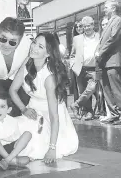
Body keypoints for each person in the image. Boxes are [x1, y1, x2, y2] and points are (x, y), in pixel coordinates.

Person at [10, 32, 79, 163]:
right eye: (34, 42)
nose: (34, 47)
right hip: (32, 110)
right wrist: (23, 109)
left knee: (35, 146)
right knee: (15, 131)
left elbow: (54, 116)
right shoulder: (27, 63)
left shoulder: (49, 78)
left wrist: (52, 148)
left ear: (48, 54)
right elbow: (12, 90)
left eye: (40, 46)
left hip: (51, 115)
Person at [95, 0, 121, 125]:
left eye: (106, 7)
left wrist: (100, 51)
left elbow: (113, 39)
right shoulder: (110, 22)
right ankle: (114, 114)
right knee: (107, 90)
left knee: (117, 90)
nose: (104, 10)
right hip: (105, 62)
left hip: (113, 61)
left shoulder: (118, 21)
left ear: (113, 8)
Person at [70, 16, 100, 120]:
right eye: (85, 26)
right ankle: (89, 112)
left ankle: (76, 105)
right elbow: (72, 55)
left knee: (91, 88)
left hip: (94, 69)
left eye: (89, 26)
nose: (87, 28)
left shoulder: (99, 37)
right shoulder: (77, 39)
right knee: (82, 91)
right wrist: (73, 65)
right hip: (80, 69)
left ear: (93, 25)